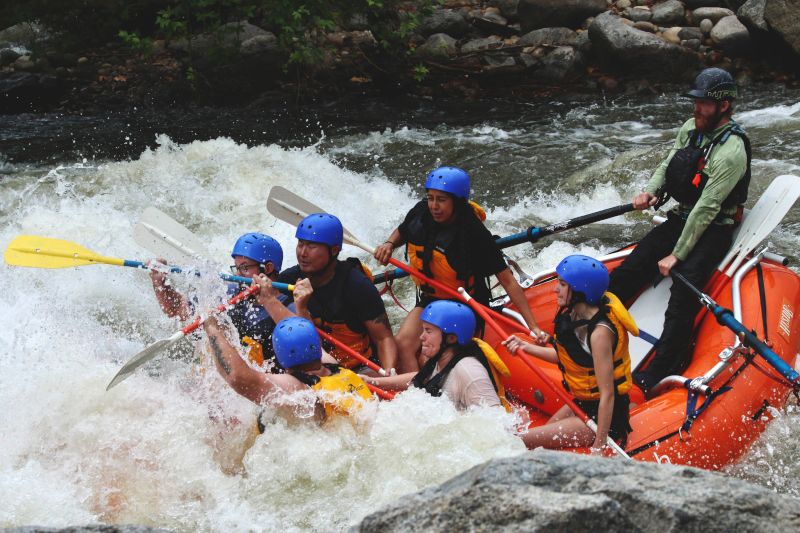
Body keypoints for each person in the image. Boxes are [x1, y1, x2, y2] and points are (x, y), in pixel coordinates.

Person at [607, 67, 752, 391]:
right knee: (633, 267)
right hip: (682, 215)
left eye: (703, 103)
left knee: (682, 295)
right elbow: (669, 164)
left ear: (724, 106)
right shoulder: (692, 127)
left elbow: (707, 209)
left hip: (715, 226)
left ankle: (658, 372)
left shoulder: (732, 152)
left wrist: (677, 255)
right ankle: (593, 329)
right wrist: (650, 190)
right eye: (695, 101)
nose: (696, 108)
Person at [374, 166, 545, 373]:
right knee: (403, 345)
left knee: (432, 359)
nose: (434, 206)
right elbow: (402, 230)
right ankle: (414, 392)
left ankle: (429, 385)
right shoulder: (421, 212)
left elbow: (508, 281)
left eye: (442, 200)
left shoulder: (473, 233)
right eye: (431, 198)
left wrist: (532, 326)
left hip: (465, 306)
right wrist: (389, 244)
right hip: (431, 299)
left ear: (457, 202)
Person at [504, 255, 636, 451]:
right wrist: (526, 347)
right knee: (542, 437)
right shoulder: (574, 315)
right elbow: (568, 358)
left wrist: (599, 447)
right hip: (584, 402)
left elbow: (608, 394)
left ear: (580, 290)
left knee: (521, 440)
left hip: (604, 417)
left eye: (562, 284)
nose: (555, 289)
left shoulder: (600, 333)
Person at [258, 213, 398, 372]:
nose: (302, 253)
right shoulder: (289, 279)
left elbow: (384, 339)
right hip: (314, 367)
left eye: (311, 246)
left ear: (334, 250)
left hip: (358, 369)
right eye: (300, 244)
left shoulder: (357, 285)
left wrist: (390, 376)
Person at [150, 232, 287, 369]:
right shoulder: (230, 292)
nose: (238, 275)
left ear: (267, 268)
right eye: (236, 268)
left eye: (245, 268)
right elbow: (176, 308)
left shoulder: (288, 309)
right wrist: (159, 283)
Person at [203, 315, 374, 422]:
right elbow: (300, 328)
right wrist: (268, 299)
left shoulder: (297, 388)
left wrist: (211, 328)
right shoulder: (333, 365)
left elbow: (238, 378)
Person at [362, 300, 511, 411]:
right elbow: (419, 377)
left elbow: (497, 426)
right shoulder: (441, 360)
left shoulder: (469, 372)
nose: (421, 337)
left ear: (451, 338)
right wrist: (373, 382)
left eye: (428, 331)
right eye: (422, 330)